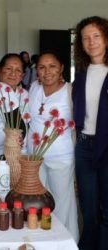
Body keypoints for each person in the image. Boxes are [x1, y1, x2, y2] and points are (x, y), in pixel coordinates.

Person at [27, 51, 79, 241]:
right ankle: (43, 241)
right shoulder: (33, 88)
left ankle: (65, 241)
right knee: (38, 202)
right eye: (41, 67)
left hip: (61, 157)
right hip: (35, 158)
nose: (47, 71)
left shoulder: (70, 91)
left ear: (61, 68)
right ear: (36, 71)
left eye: (52, 66)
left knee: (61, 203)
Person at [72, 16, 108, 250]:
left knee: (106, 208)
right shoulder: (81, 76)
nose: (91, 41)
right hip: (84, 147)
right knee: (89, 207)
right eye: (86, 38)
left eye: (96, 36)